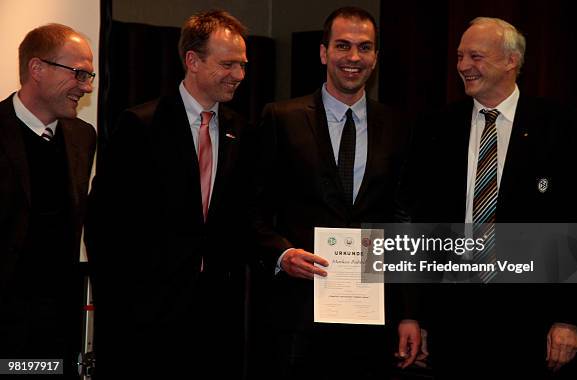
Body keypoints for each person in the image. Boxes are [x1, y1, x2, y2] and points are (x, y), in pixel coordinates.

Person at [399, 17, 577, 378]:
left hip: (531, 324)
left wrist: (569, 318)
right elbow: (418, 222)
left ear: (511, 60)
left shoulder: (561, 126)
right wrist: (414, 313)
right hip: (450, 321)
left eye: (475, 56)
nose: (462, 66)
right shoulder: (436, 127)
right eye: (460, 56)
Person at [250, 7, 421, 379]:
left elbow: (403, 221)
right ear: (324, 52)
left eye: (365, 47)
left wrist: (409, 312)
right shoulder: (281, 118)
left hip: (373, 319)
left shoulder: (400, 126)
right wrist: (282, 254)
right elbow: (251, 210)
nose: (354, 57)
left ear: (376, 57)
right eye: (343, 46)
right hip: (298, 316)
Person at [85, 10, 249, 378]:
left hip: (215, 319)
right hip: (146, 318)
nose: (239, 75)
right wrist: (122, 307)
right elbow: (103, 226)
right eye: (228, 64)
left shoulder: (241, 130)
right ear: (192, 60)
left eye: (242, 64)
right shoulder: (140, 125)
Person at [0, 23, 96, 377]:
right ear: (36, 69)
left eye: (89, 76)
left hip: (56, 323)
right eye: (79, 73)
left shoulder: (83, 136)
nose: (86, 87)